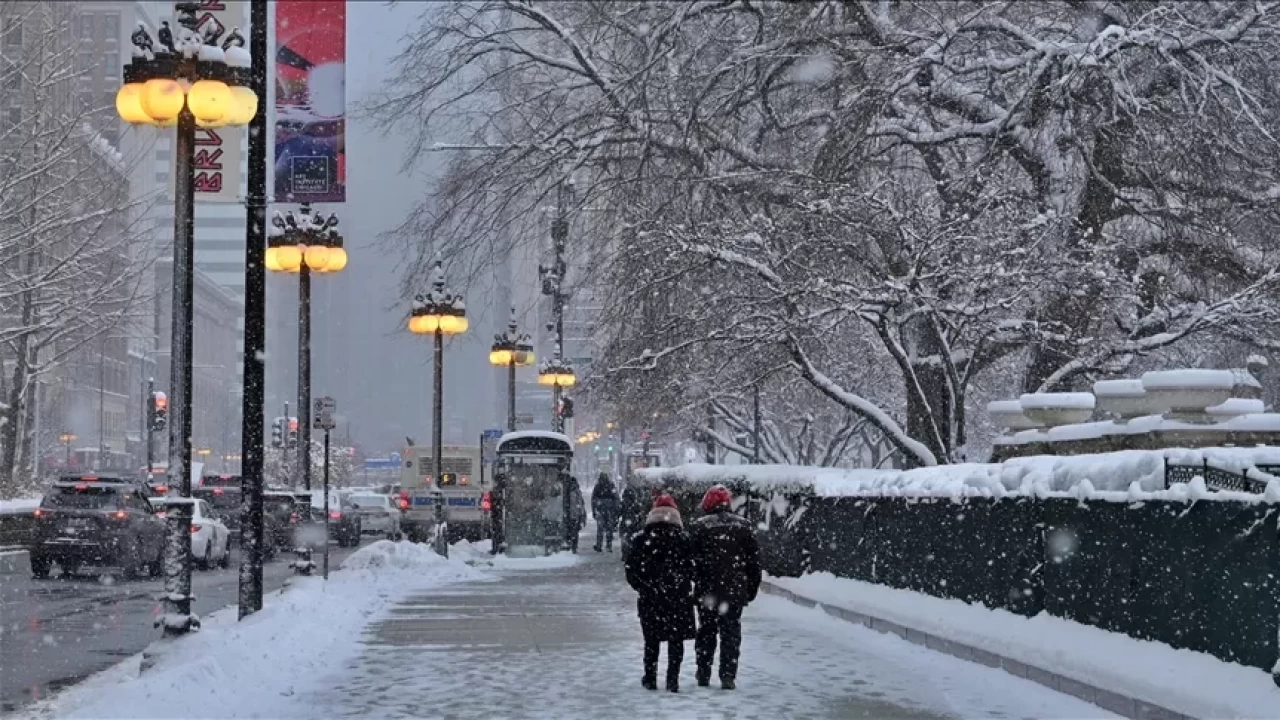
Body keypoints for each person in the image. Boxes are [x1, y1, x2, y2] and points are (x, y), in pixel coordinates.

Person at [689, 484, 761, 691]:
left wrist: (699, 578)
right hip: (734, 591)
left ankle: (703, 671)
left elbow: (690, 560)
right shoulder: (744, 526)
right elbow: (753, 563)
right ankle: (728, 675)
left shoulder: (700, 527)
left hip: (707, 591)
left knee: (706, 631)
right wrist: (751, 588)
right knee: (731, 633)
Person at [624, 493, 696, 693]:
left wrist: (643, 586)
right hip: (678, 599)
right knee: (676, 641)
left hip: (651, 599)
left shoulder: (641, 539)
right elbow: (693, 569)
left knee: (651, 641)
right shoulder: (683, 540)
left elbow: (631, 570)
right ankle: (673, 680)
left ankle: (650, 677)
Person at [591, 473, 620, 552]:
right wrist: (616, 510)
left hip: (600, 509)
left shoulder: (597, 486)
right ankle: (608, 546)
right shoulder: (611, 486)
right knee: (609, 528)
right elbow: (616, 498)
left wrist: (594, 510)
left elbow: (593, 499)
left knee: (600, 529)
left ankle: (599, 545)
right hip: (610, 510)